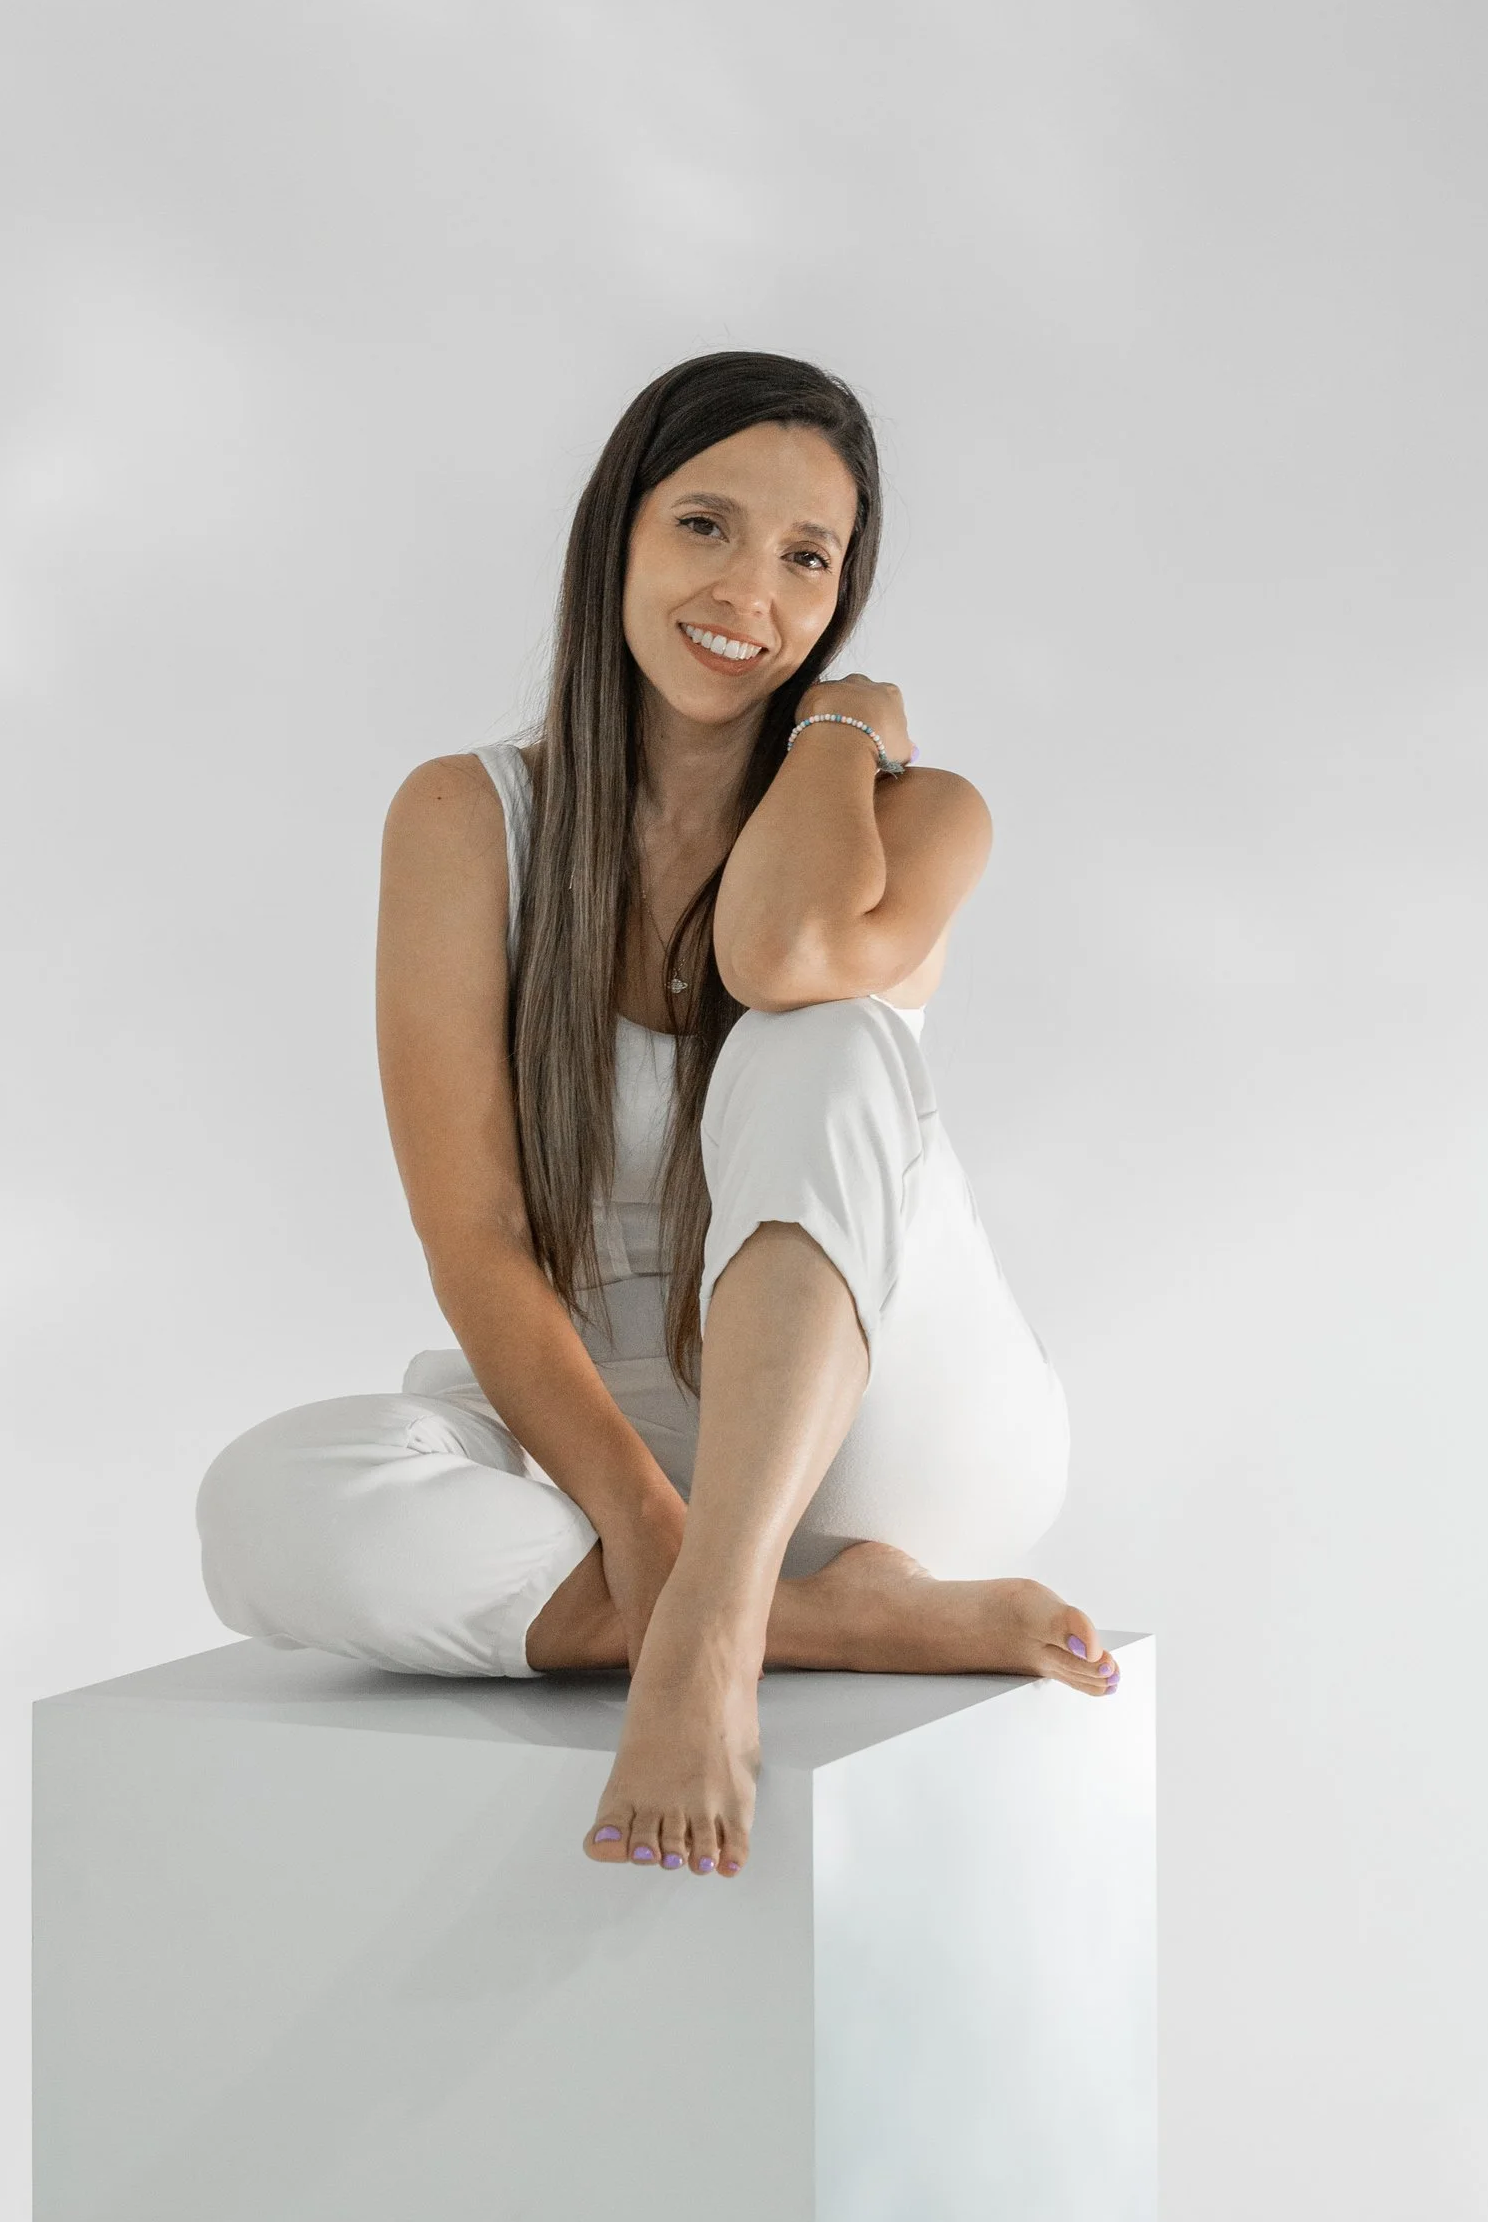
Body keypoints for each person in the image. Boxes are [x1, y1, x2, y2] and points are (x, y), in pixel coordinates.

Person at [196, 348, 1116, 1879]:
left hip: (887, 1434)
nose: (749, 589)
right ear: (616, 530)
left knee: (820, 1037)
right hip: (617, 1435)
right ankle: (811, 1615)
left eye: (807, 557)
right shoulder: (465, 819)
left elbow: (779, 952)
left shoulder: (917, 814)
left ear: (844, 596)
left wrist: (835, 736)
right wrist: (637, 1517)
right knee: (263, 1503)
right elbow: (476, 1234)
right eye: (705, 524)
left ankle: (704, 1639)